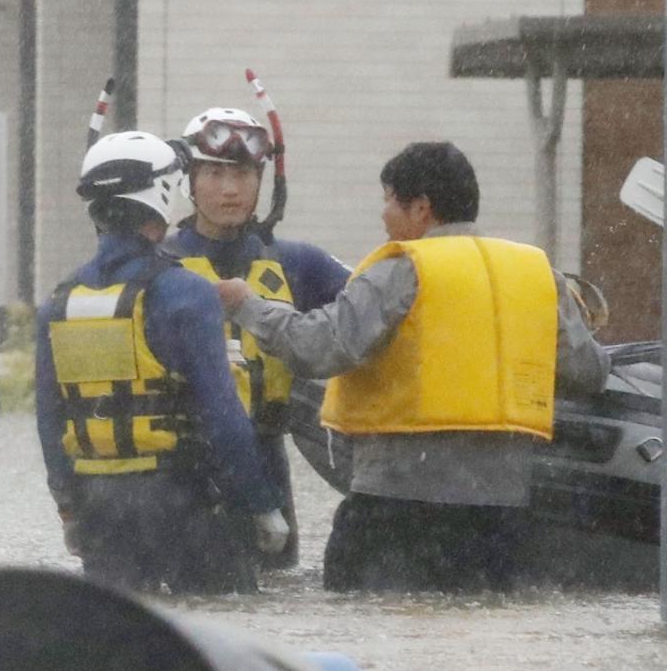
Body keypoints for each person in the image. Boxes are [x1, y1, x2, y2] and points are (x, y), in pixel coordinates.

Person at [215, 141, 610, 592]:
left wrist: (248, 307)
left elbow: (320, 348)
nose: (383, 215)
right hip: (499, 518)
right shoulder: (540, 275)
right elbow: (591, 372)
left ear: (420, 208)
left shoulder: (403, 269)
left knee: (374, 640)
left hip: (396, 510)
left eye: (388, 200)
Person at [36, 130, 290, 594]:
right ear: (165, 193)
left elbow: (50, 419)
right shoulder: (184, 293)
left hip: (98, 507)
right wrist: (261, 504)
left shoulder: (58, 301)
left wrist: (68, 508)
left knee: (123, 640)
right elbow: (223, 413)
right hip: (183, 499)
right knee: (212, 640)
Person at [162, 106, 351, 569]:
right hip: (178, 464)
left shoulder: (300, 263)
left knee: (274, 595)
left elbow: (372, 314)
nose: (231, 189)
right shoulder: (156, 263)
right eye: (214, 173)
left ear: (262, 179)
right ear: (188, 178)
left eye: (245, 174)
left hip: (267, 457)